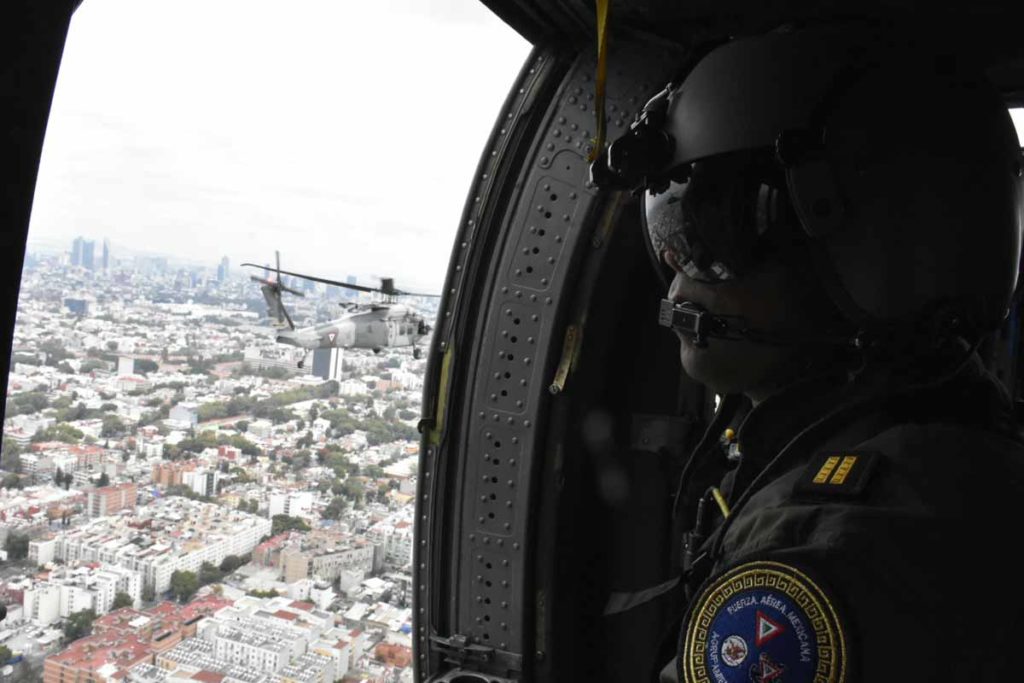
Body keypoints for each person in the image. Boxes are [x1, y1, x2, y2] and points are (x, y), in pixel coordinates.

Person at [594, 23, 1024, 682]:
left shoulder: (828, 553)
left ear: (881, 248)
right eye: (671, 237)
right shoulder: (955, 448)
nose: (679, 281)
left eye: (712, 238)